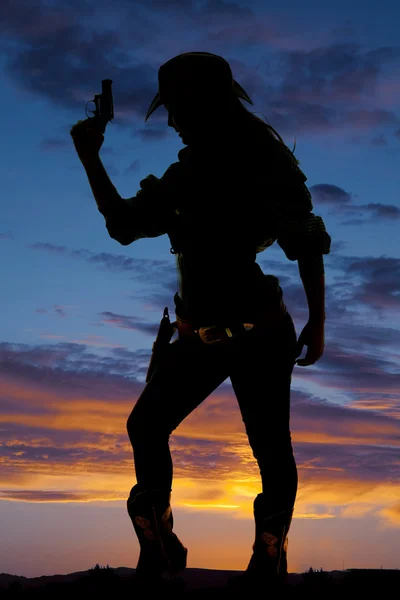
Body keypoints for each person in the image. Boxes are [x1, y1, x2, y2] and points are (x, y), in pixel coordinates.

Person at [70, 52, 331, 590]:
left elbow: (304, 240)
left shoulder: (261, 160)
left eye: (177, 108)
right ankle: (161, 539)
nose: (170, 120)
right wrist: (89, 156)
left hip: (259, 333)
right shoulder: (187, 172)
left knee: (269, 447)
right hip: (198, 336)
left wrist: (318, 320)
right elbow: (123, 225)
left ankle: (269, 554)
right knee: (146, 425)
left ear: (201, 103)